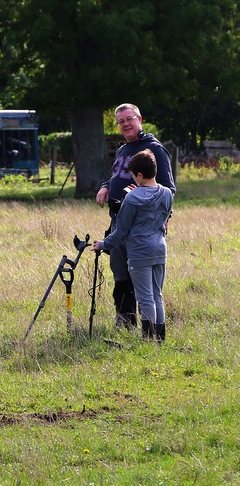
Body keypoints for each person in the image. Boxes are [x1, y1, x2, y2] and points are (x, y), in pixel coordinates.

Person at [95, 103, 176, 329]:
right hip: (119, 219)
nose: (126, 124)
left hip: (142, 224)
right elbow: (117, 176)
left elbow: (169, 187)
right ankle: (125, 318)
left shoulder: (154, 149)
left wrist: (165, 217)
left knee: (140, 273)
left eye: (129, 119)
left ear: (140, 119)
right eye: (121, 121)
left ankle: (149, 324)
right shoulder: (122, 151)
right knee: (120, 271)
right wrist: (105, 186)